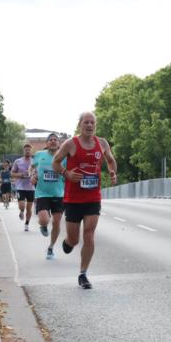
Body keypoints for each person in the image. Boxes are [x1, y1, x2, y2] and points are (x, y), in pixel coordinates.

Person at [53, 111, 117, 289]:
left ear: (95, 125)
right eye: (86, 122)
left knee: (89, 234)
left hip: (92, 197)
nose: (89, 125)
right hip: (73, 199)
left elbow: (111, 161)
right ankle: (68, 242)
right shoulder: (70, 144)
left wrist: (112, 172)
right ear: (80, 124)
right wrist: (67, 173)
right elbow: (55, 162)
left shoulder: (102, 143)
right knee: (74, 240)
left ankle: (83, 274)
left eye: (92, 122)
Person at [31, 133, 66, 260]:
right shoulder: (40, 155)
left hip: (58, 194)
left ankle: (51, 247)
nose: (52, 141)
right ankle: (43, 225)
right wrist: (32, 175)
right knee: (45, 220)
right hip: (42, 193)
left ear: (59, 144)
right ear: (47, 143)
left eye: (55, 140)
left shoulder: (64, 157)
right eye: (50, 140)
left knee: (56, 223)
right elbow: (32, 167)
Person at [12, 144, 34, 231]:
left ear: (31, 151)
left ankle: (27, 224)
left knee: (29, 208)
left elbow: (38, 172)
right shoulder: (17, 161)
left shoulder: (34, 161)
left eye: (29, 150)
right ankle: (21, 211)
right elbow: (12, 173)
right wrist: (19, 175)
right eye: (26, 150)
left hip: (31, 188)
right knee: (22, 206)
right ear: (23, 151)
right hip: (20, 187)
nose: (27, 151)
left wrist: (34, 176)